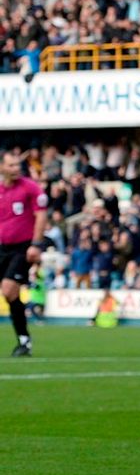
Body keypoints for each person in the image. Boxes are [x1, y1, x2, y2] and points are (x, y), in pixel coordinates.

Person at [0, 151, 48, 357]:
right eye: (11, 165)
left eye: (17, 165)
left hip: (23, 247)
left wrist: (36, 244)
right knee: (10, 294)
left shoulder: (30, 187)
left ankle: (24, 340)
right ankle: (24, 340)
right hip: (2, 247)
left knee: (9, 290)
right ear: (2, 167)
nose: (16, 168)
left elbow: (41, 215)